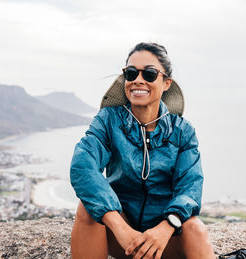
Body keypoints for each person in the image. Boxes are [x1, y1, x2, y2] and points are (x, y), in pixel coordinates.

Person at [70, 42, 215, 259]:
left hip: (164, 240)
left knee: (195, 228)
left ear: (166, 83)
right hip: (122, 237)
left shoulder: (183, 132)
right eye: (131, 73)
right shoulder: (108, 121)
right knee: (87, 209)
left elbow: (190, 187)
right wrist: (120, 227)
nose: (138, 80)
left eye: (149, 73)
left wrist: (166, 227)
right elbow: (83, 166)